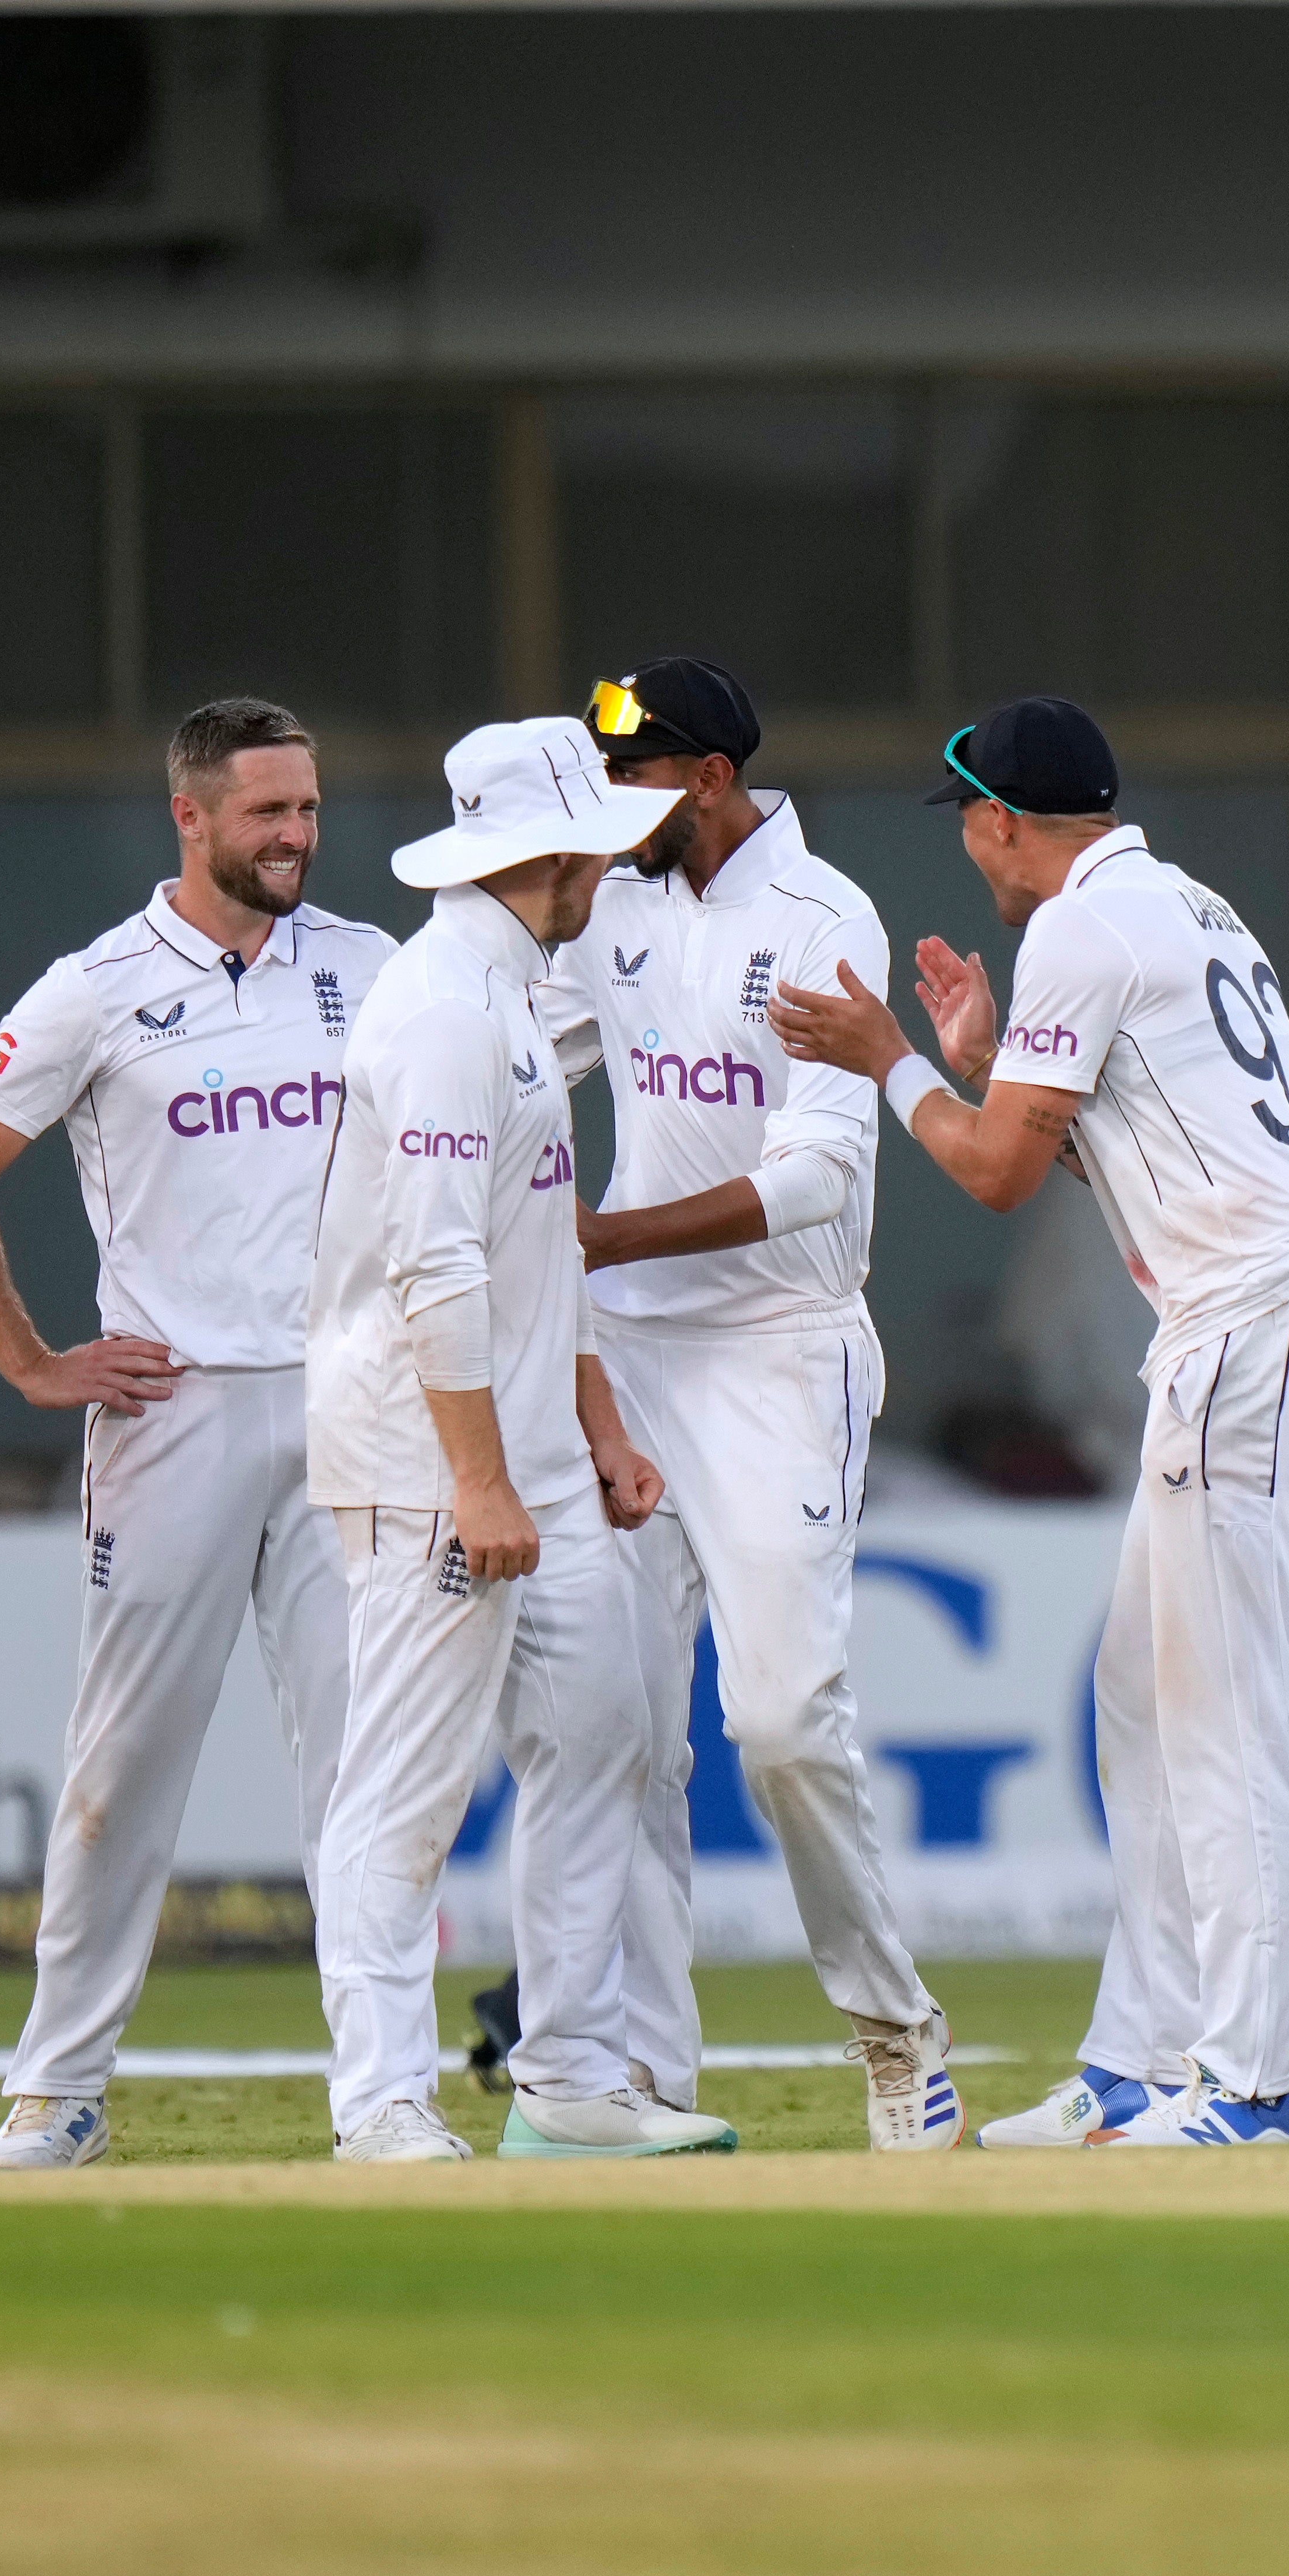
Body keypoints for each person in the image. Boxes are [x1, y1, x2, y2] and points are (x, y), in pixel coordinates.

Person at [776, 696, 1289, 2148]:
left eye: (972, 819)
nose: (969, 847)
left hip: (1253, 1330)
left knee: (1221, 1721)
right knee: (1146, 1704)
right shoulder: (1185, 907)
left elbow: (999, 1182)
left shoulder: (1082, 931)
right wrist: (975, 1065)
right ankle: (1138, 2066)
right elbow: (1124, 1151)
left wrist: (886, 1056)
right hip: (1282, 1307)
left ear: (1007, 821)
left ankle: (1248, 2089)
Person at [0, 699, 394, 2170]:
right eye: (269, 813)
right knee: (124, 1766)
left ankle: (383, 2096)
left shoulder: (375, 971)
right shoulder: (98, 988)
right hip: (175, 1412)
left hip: (347, 1411)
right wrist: (26, 1361)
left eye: (311, 809)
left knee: (366, 1768)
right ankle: (57, 2092)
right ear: (189, 819)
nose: (299, 837)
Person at [543, 658, 955, 2152]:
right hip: (630, 1361)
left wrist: (597, 1235)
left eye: (634, 774)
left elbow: (815, 1182)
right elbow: (522, 1047)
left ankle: (898, 2028)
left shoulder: (819, 918)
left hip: (781, 1350)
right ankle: (651, 2073)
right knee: (622, 1730)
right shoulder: (614, 902)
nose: (611, 802)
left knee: (777, 1721)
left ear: (708, 778)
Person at [304, 719, 698, 2163]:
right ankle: (383, 2101)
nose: (613, 858)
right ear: (549, 853)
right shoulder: (437, 1013)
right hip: (428, 1464)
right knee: (402, 1788)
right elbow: (437, 1273)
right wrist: (476, 1475)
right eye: (595, 838)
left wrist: (594, 1428)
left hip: (534, 1456)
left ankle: (571, 2077)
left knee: (603, 1735)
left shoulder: (514, 991)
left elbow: (537, 1249)